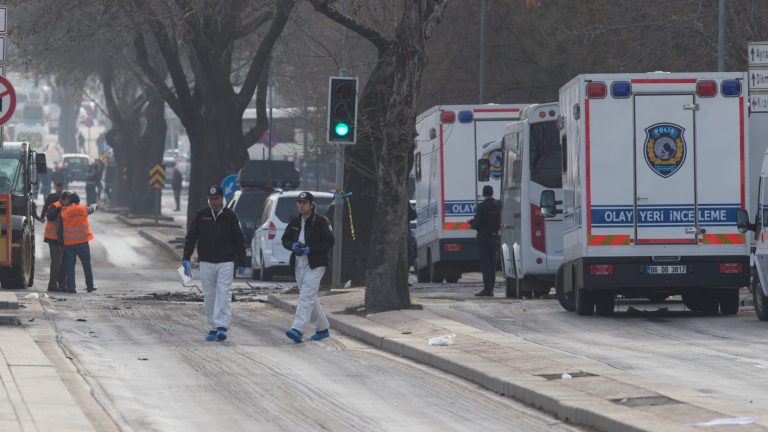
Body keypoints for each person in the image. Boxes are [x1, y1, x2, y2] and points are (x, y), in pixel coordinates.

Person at [182, 186, 247, 342]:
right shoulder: (201, 215)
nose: (212, 202)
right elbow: (191, 237)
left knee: (223, 293)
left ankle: (222, 327)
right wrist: (186, 257)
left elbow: (239, 239)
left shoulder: (231, 216)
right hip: (206, 262)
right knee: (209, 295)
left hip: (226, 261)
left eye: (215, 198)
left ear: (222, 198)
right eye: (210, 199)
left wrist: (242, 260)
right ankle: (212, 328)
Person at [281, 192, 335, 343]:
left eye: (305, 202)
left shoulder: (321, 221)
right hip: (299, 263)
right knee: (310, 296)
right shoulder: (294, 221)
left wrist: (311, 249)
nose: (301, 205)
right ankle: (322, 328)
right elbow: (285, 239)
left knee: (306, 296)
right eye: (299, 202)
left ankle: (298, 329)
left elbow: (330, 241)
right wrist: (293, 245)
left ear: (312, 205)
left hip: (316, 263)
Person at [55, 193, 98, 294]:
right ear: (78, 202)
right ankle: (90, 286)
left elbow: (59, 230)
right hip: (83, 242)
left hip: (69, 243)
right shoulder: (83, 209)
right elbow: (91, 208)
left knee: (70, 266)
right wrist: (95, 205)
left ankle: (71, 288)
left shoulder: (63, 212)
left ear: (69, 202)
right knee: (87, 264)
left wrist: (61, 243)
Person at [471, 185, 502, 297]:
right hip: (495, 239)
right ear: (492, 193)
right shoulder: (499, 206)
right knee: (492, 264)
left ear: (484, 194)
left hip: (483, 239)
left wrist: (472, 224)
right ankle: (491, 288)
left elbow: (477, 224)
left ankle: (487, 289)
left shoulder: (481, 207)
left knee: (485, 264)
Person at [44, 191, 70, 292]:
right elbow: (49, 216)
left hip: (65, 239)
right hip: (54, 238)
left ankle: (62, 283)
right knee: (57, 262)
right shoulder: (54, 206)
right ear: (66, 199)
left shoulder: (69, 207)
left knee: (64, 262)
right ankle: (52, 284)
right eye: (70, 200)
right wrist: (59, 209)